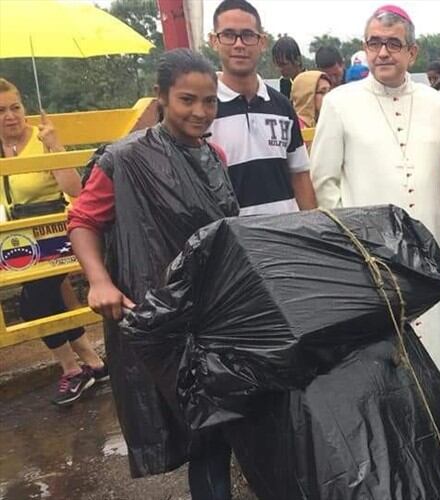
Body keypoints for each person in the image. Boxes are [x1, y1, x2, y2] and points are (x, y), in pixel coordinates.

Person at [68, 48, 239, 499]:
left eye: (210, 102)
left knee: (220, 425)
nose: (201, 112)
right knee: (197, 426)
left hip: (212, 310)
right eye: (187, 100)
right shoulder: (124, 160)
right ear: (160, 96)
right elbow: (83, 221)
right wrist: (99, 281)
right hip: (160, 313)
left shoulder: (215, 156)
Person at [311, 4, 440, 389]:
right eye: (375, 43)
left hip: (427, 249)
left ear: (412, 52)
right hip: (370, 254)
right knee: (380, 355)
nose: (383, 52)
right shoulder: (340, 102)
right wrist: (348, 245)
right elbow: (324, 183)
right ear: (365, 47)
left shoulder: (432, 101)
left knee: (434, 345)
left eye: (393, 43)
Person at [0, 78, 107, 406]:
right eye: (1, 110)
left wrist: (56, 148)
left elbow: (75, 190)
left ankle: (72, 369)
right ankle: (93, 361)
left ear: (25, 107)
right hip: (17, 235)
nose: (10, 116)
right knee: (49, 301)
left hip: (53, 232)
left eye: (15, 107)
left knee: (33, 303)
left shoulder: (41, 139)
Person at [207, 0, 316, 216]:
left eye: (248, 35)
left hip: (287, 238)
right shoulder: (202, 112)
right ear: (214, 41)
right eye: (228, 35)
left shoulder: (282, 106)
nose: (239, 44)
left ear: (262, 42)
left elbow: (300, 175)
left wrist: (314, 230)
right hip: (232, 241)